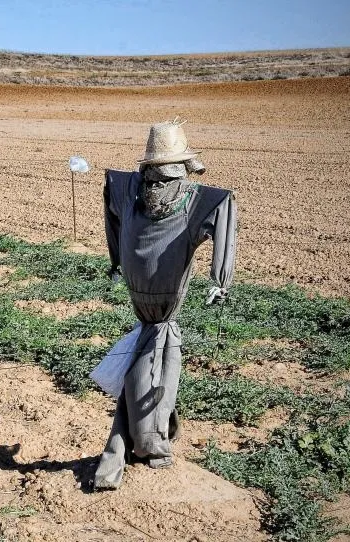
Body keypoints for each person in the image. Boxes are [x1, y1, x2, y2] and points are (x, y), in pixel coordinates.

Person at [93, 119, 238, 490]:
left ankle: (153, 442)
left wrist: (220, 281)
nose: (156, 187)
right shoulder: (131, 193)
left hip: (163, 313)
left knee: (151, 374)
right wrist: (117, 259)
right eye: (153, 179)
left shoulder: (194, 201)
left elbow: (223, 210)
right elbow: (111, 199)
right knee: (145, 375)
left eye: (164, 179)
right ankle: (153, 441)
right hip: (144, 310)